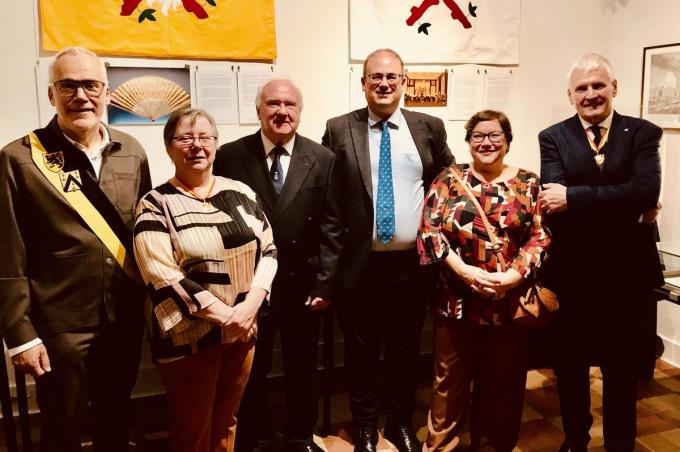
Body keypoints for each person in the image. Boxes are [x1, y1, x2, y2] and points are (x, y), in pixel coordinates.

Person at [0, 46, 150, 452]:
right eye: (68, 85)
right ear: (51, 95)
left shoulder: (132, 151)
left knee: (116, 419)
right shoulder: (19, 159)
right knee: (61, 428)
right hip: (59, 325)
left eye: (90, 85)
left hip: (123, 318)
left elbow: (146, 234)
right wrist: (20, 335)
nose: (80, 95)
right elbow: (7, 252)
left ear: (106, 92)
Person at [322, 48, 454, 452]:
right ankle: (364, 425)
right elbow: (328, 198)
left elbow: (448, 185)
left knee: (404, 348)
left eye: (391, 77)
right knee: (360, 352)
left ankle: (398, 422)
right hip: (359, 265)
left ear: (403, 81)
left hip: (411, 265)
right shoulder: (338, 128)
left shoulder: (429, 127)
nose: (383, 83)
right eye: (375, 77)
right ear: (363, 83)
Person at [133, 108, 277, 452]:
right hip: (189, 339)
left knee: (227, 420)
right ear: (169, 148)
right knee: (193, 429)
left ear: (216, 144)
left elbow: (269, 250)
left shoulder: (240, 192)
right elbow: (162, 274)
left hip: (243, 333)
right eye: (185, 137)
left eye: (205, 138)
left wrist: (250, 308)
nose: (196, 146)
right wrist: (230, 316)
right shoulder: (155, 203)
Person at [539, 53, 663, 452]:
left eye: (598, 85)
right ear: (570, 95)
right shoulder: (553, 137)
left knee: (620, 368)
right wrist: (620, 202)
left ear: (614, 88)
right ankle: (575, 438)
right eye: (582, 88)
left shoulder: (643, 133)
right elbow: (551, 200)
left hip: (627, 273)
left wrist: (574, 197)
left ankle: (619, 444)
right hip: (573, 273)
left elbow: (646, 192)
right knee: (571, 366)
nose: (591, 94)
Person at [213, 79, 341, 452]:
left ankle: (301, 436)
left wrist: (326, 283)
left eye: (289, 104)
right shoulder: (231, 156)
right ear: (258, 110)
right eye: (273, 103)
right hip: (250, 286)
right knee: (251, 368)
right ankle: (253, 436)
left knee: (303, 367)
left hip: (304, 284)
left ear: (300, 112)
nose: (281, 111)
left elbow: (333, 225)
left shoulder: (321, 158)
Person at [418, 110, 550, 451]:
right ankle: (441, 447)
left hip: (508, 305)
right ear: (468, 142)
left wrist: (511, 275)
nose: (487, 142)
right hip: (455, 302)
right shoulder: (448, 179)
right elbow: (429, 232)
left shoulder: (528, 182)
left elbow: (540, 236)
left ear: (507, 141)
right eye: (478, 136)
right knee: (449, 384)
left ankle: (493, 446)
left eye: (494, 136)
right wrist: (464, 271)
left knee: (502, 385)